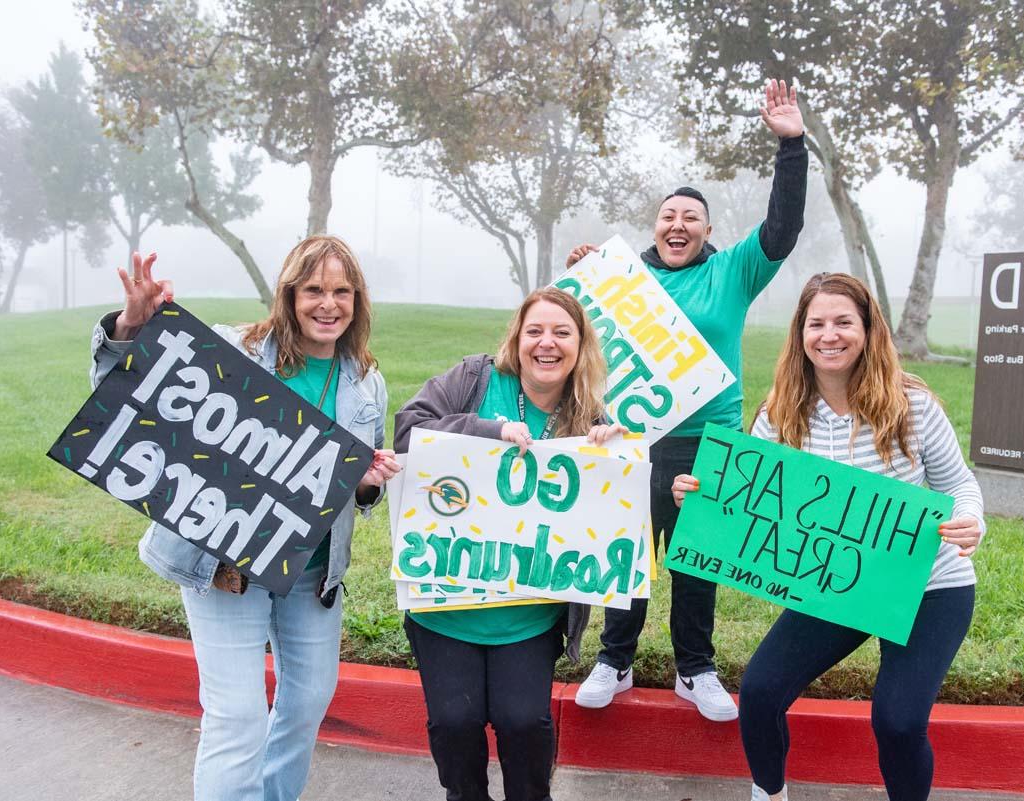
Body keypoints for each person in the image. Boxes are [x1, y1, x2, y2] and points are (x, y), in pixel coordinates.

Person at [89, 239, 400, 801]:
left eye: (340, 291)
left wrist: (366, 484)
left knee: (306, 704)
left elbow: (358, 485)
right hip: (225, 564)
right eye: (313, 290)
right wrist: (131, 328)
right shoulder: (238, 348)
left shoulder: (367, 382)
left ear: (357, 300)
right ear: (289, 294)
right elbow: (127, 395)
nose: (327, 304)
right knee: (237, 717)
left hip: (311, 572)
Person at [670, 272, 985, 801]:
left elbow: (959, 483)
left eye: (844, 322)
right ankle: (769, 792)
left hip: (929, 587)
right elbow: (750, 496)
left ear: (868, 330)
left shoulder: (913, 403)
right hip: (837, 587)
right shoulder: (781, 413)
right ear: (800, 333)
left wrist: (971, 519)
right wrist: (699, 495)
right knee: (761, 692)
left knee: (899, 721)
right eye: (816, 323)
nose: (829, 335)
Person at [567, 78, 807, 721]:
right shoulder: (624, 280)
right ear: (656, 226)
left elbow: (782, 229)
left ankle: (694, 669)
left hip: (709, 442)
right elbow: (572, 333)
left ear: (706, 230)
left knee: (696, 564)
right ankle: (615, 660)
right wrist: (584, 274)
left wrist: (791, 148)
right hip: (632, 440)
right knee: (625, 555)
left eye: (690, 219)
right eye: (668, 216)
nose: (678, 225)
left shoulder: (733, 271)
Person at [393, 286, 625, 801]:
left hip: (528, 614)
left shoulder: (589, 418)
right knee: (455, 723)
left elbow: (611, 512)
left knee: (523, 724)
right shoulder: (474, 380)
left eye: (562, 333)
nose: (547, 343)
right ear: (516, 338)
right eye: (535, 331)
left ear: (580, 345)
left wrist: (617, 456)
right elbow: (408, 430)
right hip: (445, 604)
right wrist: (486, 430)